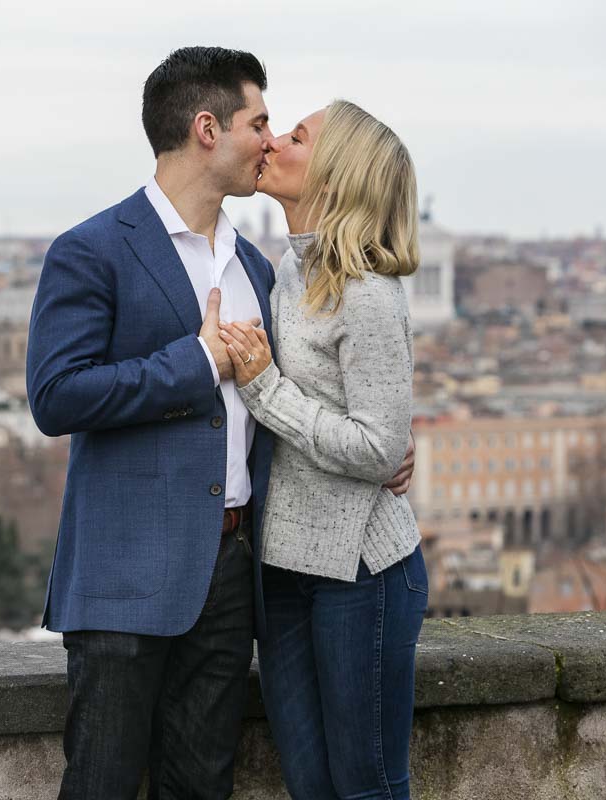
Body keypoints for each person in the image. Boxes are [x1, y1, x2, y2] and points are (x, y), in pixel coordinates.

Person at [27, 47, 414, 796]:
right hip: (125, 574)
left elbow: (310, 390)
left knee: (203, 784)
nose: (269, 140)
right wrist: (197, 364)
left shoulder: (261, 268)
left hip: (236, 570)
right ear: (207, 128)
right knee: (102, 782)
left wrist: (395, 440)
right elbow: (57, 395)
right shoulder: (94, 250)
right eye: (259, 121)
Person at [218, 99, 428, 800]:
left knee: (364, 788)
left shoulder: (364, 290)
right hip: (282, 570)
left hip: (359, 573)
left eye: (297, 136)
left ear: (335, 176)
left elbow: (375, 447)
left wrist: (267, 390)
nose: (274, 141)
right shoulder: (286, 272)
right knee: (310, 789)